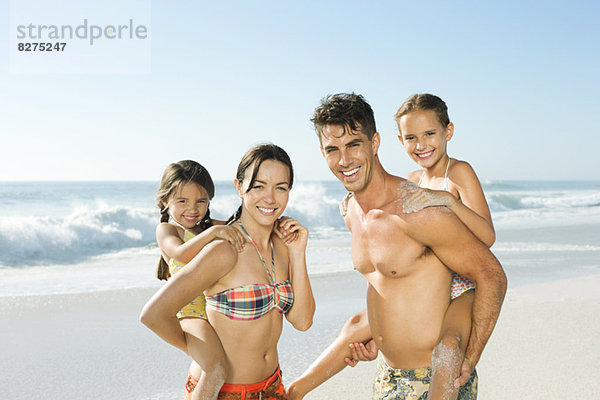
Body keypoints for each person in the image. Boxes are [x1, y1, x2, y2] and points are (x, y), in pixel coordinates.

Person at [288, 93, 506, 400]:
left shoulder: (418, 209)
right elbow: (391, 291)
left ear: (374, 143)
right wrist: (380, 336)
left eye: (354, 145)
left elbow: (492, 275)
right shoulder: (351, 212)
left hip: (435, 381)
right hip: (387, 378)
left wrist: (471, 357)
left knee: (448, 346)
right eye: (332, 149)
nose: (344, 160)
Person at [141, 144, 316, 400]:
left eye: (281, 187)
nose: (270, 198)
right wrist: (199, 352)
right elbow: (153, 315)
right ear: (239, 187)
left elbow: (302, 322)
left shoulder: (283, 244)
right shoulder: (224, 251)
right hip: (223, 394)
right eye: (258, 186)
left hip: (272, 388)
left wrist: (299, 252)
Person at [154, 160, 247, 400]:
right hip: (192, 315)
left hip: (217, 311)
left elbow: (245, 227)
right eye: (182, 201)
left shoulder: (206, 226)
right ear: (166, 201)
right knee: (216, 370)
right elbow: (182, 253)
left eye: (201, 201)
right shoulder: (167, 230)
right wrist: (214, 233)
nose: (192, 209)